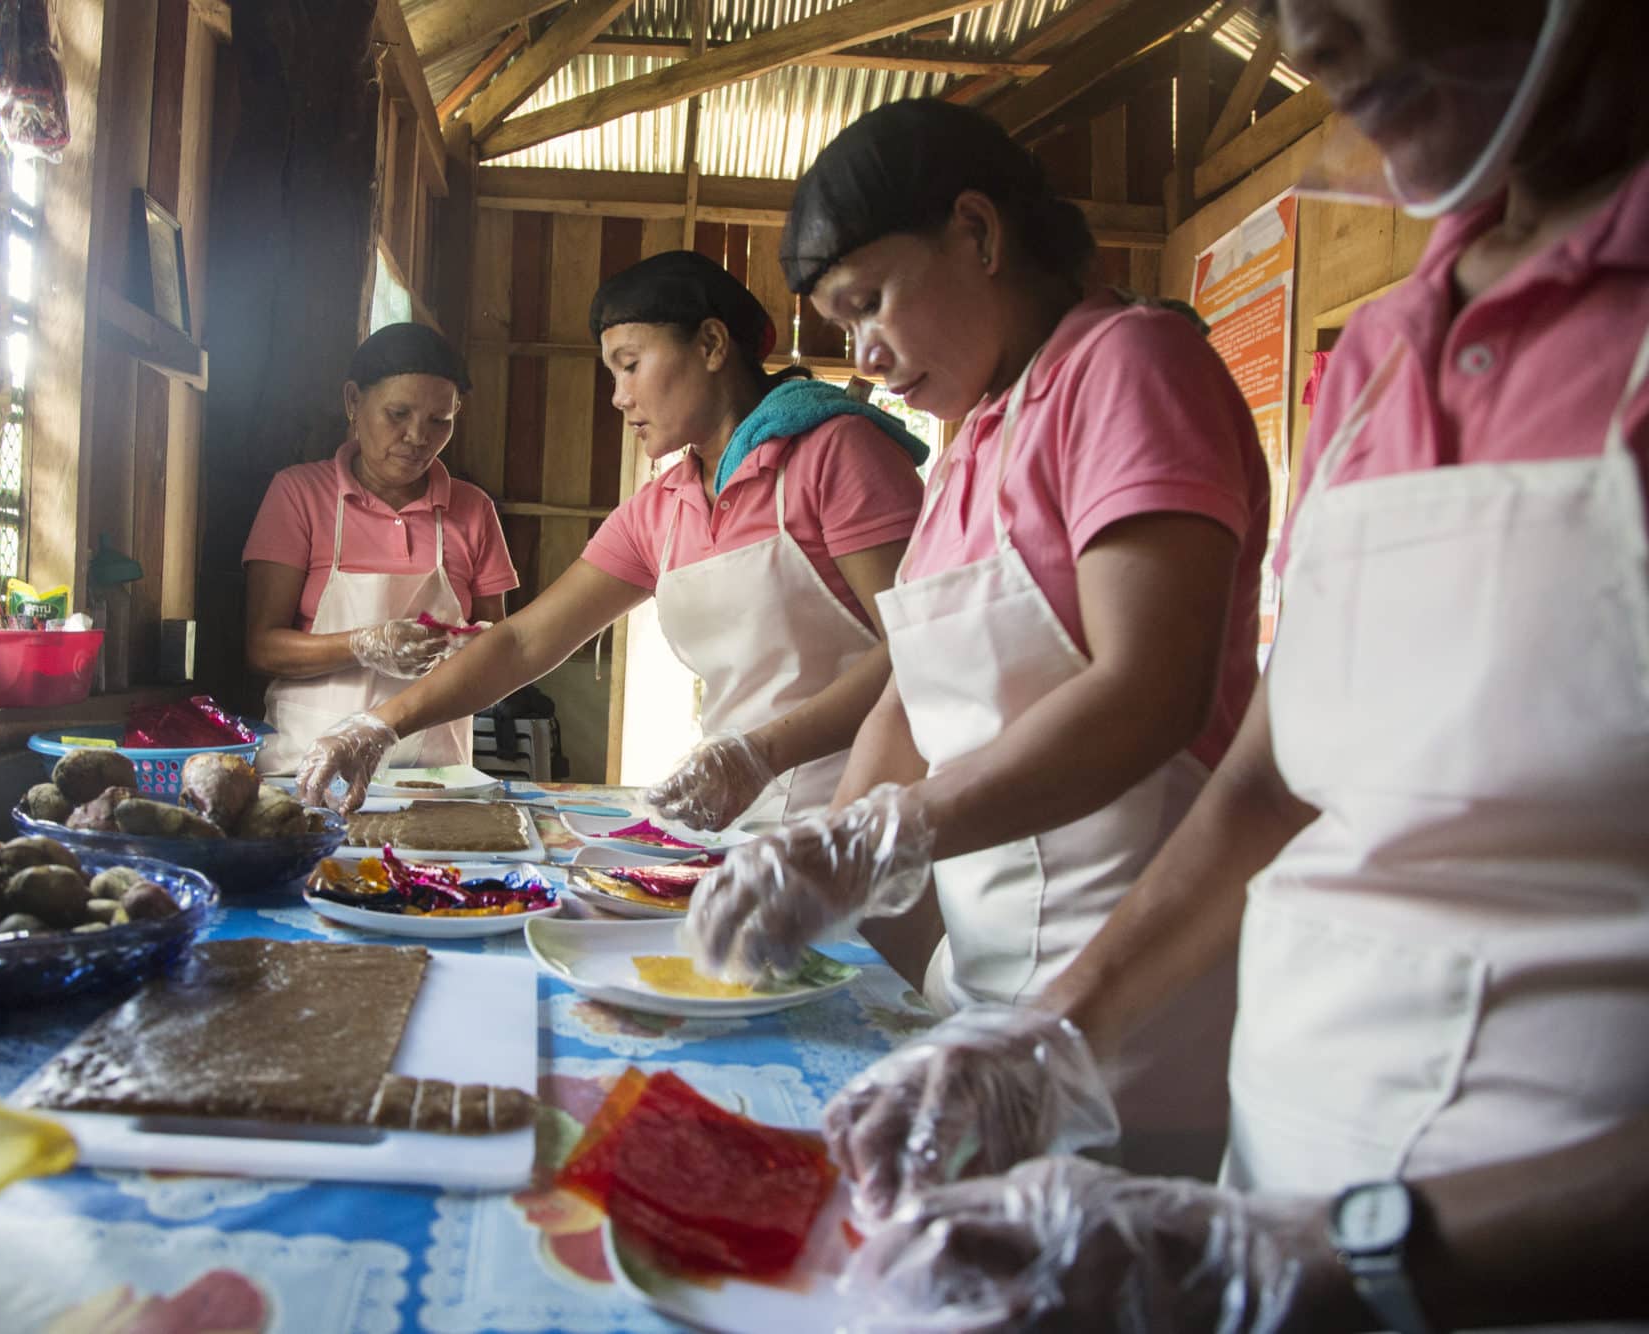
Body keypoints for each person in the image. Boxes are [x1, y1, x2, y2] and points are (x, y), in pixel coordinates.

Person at [821, 0, 1649, 1326]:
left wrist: (1344, 1255)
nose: (1301, 37)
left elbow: (1149, 695)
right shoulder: (1381, 355)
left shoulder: (1130, 365)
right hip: (1270, 1180)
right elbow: (1271, 788)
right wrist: (1046, 1037)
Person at [683, 98, 1271, 1177]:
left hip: (1125, 1022)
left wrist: (879, 838)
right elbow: (911, 698)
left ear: (978, 232)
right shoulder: (970, 442)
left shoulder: (1130, 368)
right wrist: (828, 860)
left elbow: (1151, 689)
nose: (865, 354)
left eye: (869, 303)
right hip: (983, 992)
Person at [296, 250, 928, 824]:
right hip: (739, 816)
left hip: (872, 811)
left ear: (711, 344)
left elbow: (918, 647)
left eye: (630, 365)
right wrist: (379, 725)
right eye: (612, 374)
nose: (619, 397)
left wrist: (762, 752)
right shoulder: (662, 508)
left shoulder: (837, 455)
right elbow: (521, 641)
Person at [243, 322, 517, 772]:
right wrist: (366, 644)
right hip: (308, 765)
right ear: (353, 401)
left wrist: (476, 649)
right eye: (398, 414)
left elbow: (500, 650)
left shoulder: (472, 509)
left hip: (435, 775)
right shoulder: (299, 494)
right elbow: (263, 648)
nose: (417, 437)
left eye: (439, 421)